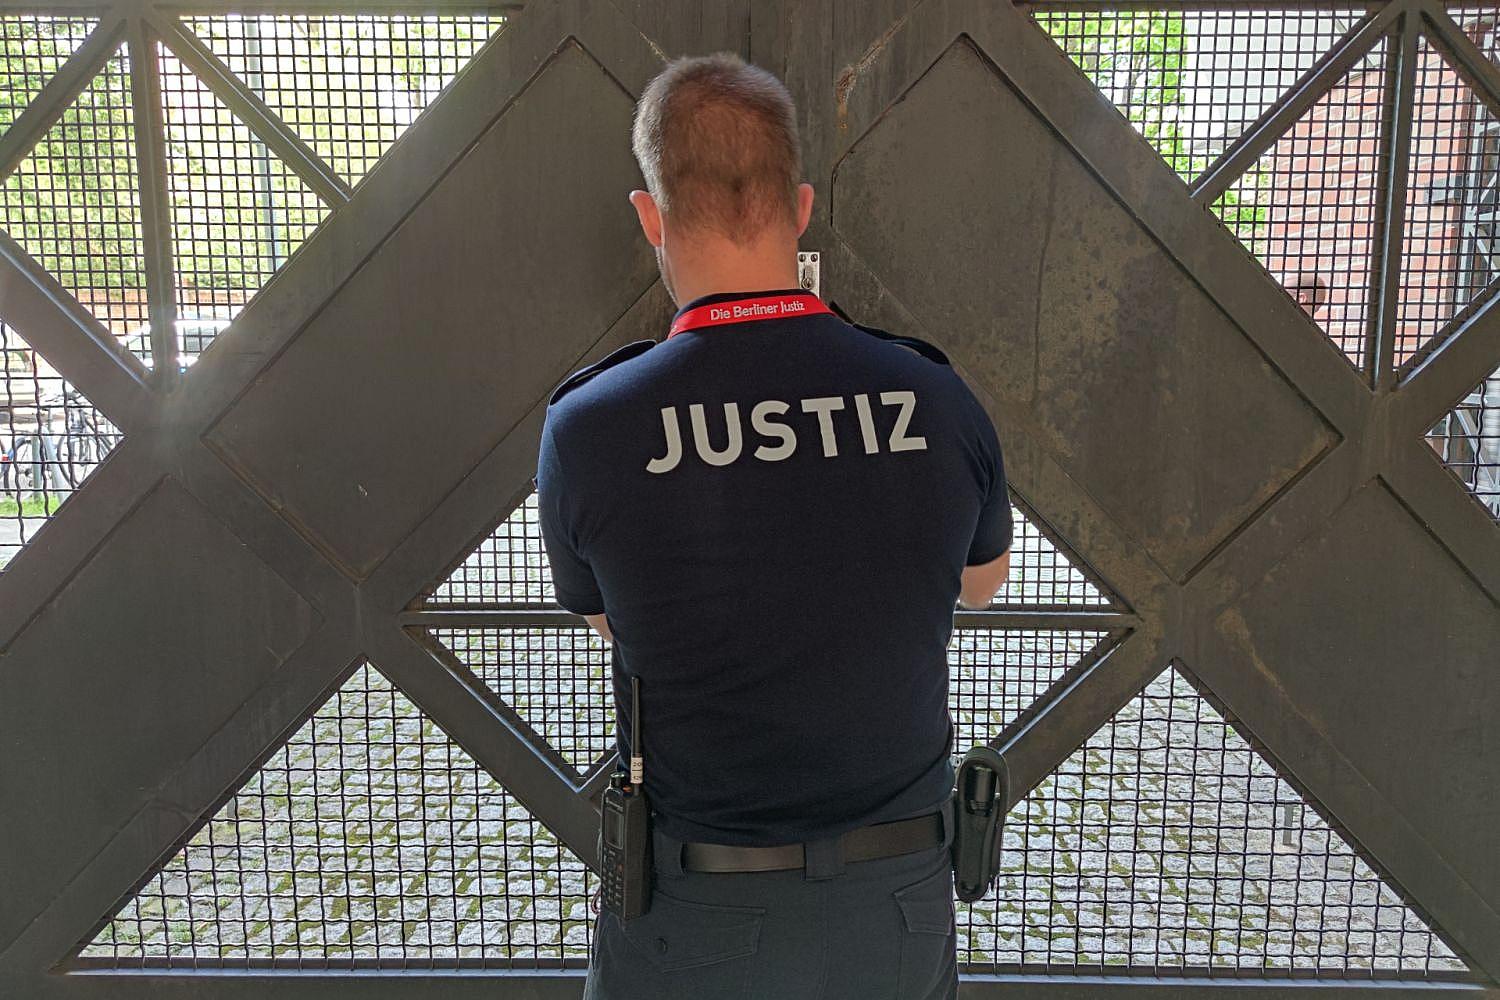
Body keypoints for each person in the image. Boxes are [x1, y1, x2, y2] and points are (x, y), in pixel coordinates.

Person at [536, 52, 1012, 1000]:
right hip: (898, 899)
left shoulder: (591, 426)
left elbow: (611, 621)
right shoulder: (933, 396)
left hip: (700, 907)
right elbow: (981, 583)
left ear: (651, 217)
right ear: (799, 208)